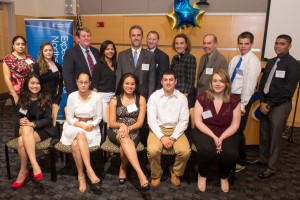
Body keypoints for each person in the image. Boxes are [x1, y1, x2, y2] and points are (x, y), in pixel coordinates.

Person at [250, 34, 300, 178]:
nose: (278, 46)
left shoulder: (293, 64)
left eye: (282, 44)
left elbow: (288, 90)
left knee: (275, 137)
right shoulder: (271, 62)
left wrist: (270, 104)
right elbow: (263, 84)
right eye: (276, 43)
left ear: (289, 46)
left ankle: (271, 167)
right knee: (264, 134)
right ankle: (262, 158)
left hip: (280, 105)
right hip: (266, 103)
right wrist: (262, 102)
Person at [190, 69, 241, 193]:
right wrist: (214, 137)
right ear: (211, 83)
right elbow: (198, 122)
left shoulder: (234, 101)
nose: (217, 84)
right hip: (205, 130)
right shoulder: (202, 98)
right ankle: (202, 175)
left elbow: (235, 125)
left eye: (221, 81)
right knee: (207, 150)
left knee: (230, 154)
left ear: (227, 83)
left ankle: (223, 176)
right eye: (215, 81)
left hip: (227, 131)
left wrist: (221, 138)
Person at [147, 69, 191, 187]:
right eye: (165, 80)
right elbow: (151, 121)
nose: (168, 82)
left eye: (171, 80)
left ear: (175, 81)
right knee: (152, 151)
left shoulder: (182, 98)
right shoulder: (154, 97)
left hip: (176, 130)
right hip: (158, 129)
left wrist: (173, 137)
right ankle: (156, 173)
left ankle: (175, 172)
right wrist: (162, 137)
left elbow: (184, 121)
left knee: (185, 152)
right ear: (161, 82)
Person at [12, 72, 56, 189]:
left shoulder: (46, 97)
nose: (35, 86)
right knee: (26, 128)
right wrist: (21, 121)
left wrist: (33, 124)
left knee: (22, 141)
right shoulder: (22, 97)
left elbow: (48, 119)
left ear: (41, 85)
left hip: (42, 129)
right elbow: (18, 116)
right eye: (32, 83)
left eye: (37, 83)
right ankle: (35, 164)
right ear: (27, 84)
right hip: (23, 129)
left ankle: (23, 171)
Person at [107, 73, 150, 191]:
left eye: (132, 84)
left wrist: (128, 128)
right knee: (125, 138)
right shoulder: (115, 99)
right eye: (127, 83)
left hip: (134, 130)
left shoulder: (141, 99)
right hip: (116, 129)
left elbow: (140, 122)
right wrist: (122, 125)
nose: (129, 86)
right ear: (122, 84)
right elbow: (111, 122)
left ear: (136, 85)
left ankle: (122, 167)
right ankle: (141, 174)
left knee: (125, 143)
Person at [60, 72, 102, 192]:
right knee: (80, 133)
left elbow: (99, 117)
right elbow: (69, 118)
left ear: (90, 83)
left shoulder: (96, 96)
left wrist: (91, 125)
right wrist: (81, 126)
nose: (83, 85)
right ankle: (89, 170)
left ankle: (81, 176)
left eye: (86, 82)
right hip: (73, 126)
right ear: (77, 82)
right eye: (80, 82)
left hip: (90, 127)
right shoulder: (72, 96)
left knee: (75, 145)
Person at [228, 32, 261, 172]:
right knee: (230, 130)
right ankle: (230, 158)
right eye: (241, 43)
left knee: (237, 131)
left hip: (241, 100)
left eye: (246, 43)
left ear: (251, 44)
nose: (243, 46)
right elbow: (229, 80)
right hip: (230, 97)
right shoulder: (235, 59)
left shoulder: (253, 62)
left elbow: (249, 86)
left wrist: (242, 105)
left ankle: (240, 161)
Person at [116, 25, 156, 100]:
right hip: (125, 97)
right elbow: (119, 78)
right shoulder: (122, 55)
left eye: (138, 35)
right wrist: (118, 97)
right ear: (130, 37)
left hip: (143, 97)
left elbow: (152, 81)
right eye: (133, 35)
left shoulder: (150, 56)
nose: (136, 38)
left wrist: (150, 100)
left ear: (142, 37)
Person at [63, 27, 100, 95]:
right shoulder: (71, 53)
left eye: (88, 36)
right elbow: (68, 76)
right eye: (83, 36)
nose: (86, 38)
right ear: (78, 39)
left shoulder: (96, 51)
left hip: (95, 93)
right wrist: (73, 95)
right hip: (79, 94)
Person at [3, 35, 35, 104]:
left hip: (30, 90)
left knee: (31, 112)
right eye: (18, 44)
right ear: (13, 46)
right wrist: (14, 95)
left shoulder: (29, 57)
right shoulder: (8, 59)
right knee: (21, 113)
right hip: (17, 93)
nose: (21, 46)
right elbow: (7, 79)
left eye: (23, 44)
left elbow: (33, 73)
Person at [91, 40, 117, 122]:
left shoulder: (117, 65)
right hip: (102, 97)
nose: (110, 51)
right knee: (108, 121)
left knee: (115, 120)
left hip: (114, 97)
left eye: (112, 49)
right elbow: (94, 86)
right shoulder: (98, 66)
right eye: (107, 49)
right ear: (103, 51)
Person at [170, 33, 196, 108]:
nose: (179, 46)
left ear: (186, 45)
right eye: (176, 43)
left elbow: (191, 79)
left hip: (185, 95)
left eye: (181, 43)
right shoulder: (175, 58)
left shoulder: (190, 58)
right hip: (174, 93)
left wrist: (185, 95)